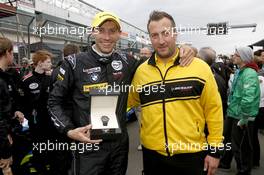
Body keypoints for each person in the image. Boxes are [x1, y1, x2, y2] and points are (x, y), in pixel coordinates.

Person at [48, 11, 194, 175]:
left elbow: (159, 60)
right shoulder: (73, 63)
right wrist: (68, 130)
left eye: (112, 31)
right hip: (87, 145)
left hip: (119, 145)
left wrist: (184, 49)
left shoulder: (128, 61)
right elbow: (54, 102)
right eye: (101, 30)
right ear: (93, 32)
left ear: (119, 34)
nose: (107, 36)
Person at [128, 11, 223, 175]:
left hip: (191, 155)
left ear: (175, 34)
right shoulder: (141, 72)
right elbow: (128, 102)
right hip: (153, 156)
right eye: (155, 35)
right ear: (150, 38)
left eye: (166, 33)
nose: (161, 40)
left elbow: (214, 110)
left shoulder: (199, 67)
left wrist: (215, 151)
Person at [19, 50, 58, 174]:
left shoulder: (53, 78)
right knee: (39, 147)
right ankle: (39, 166)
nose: (51, 64)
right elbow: (22, 102)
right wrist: (29, 116)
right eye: (48, 61)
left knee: (52, 147)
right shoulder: (27, 80)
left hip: (52, 120)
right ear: (40, 63)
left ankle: (51, 165)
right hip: (36, 121)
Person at [225, 47, 260, 175]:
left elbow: (248, 97)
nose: (233, 56)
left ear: (244, 58)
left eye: (236, 55)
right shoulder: (242, 71)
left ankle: (244, 171)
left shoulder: (249, 73)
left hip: (242, 116)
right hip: (236, 113)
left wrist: (244, 117)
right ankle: (243, 169)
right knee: (238, 145)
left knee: (242, 146)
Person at [0, 37, 24, 175]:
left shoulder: (5, 77)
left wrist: (13, 113)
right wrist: (6, 152)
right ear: (7, 53)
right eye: (12, 52)